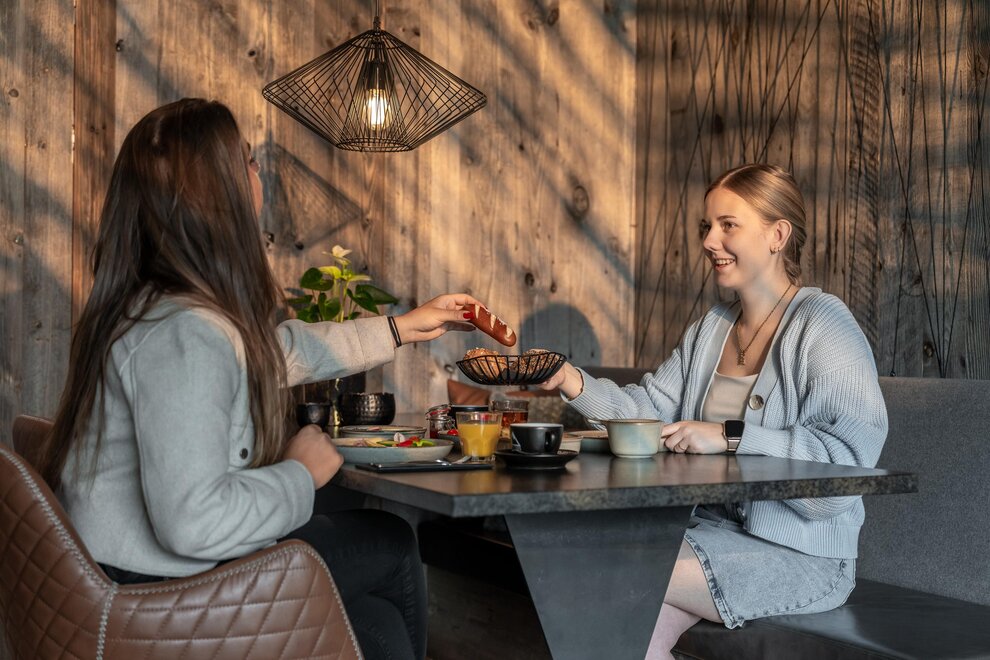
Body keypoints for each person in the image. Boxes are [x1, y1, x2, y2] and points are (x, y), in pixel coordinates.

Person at [36, 98, 483, 660]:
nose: (258, 174)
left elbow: (277, 353)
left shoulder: (155, 307)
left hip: (130, 574)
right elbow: (193, 523)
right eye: (247, 161)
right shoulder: (186, 333)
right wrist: (300, 473)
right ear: (215, 192)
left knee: (374, 621)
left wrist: (401, 327)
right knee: (389, 544)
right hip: (157, 598)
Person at [540, 163, 888, 658]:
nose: (708, 240)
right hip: (706, 534)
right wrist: (572, 381)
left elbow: (845, 473)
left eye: (728, 225)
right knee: (618, 637)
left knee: (611, 569)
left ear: (777, 235)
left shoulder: (824, 323)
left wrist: (731, 436)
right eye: (708, 226)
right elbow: (648, 414)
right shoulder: (712, 329)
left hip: (802, 556)